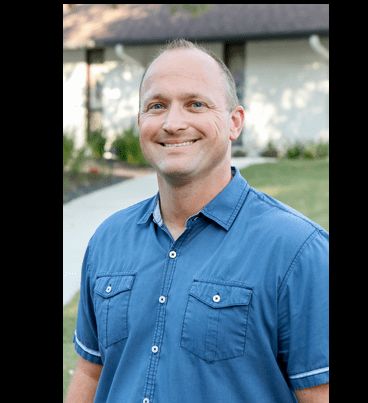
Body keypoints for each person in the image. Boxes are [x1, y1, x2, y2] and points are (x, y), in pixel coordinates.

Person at [66, 39, 329, 403]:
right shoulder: (108, 240)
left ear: (234, 122)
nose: (173, 123)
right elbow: (90, 372)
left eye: (196, 104)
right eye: (157, 106)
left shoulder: (298, 251)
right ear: (140, 122)